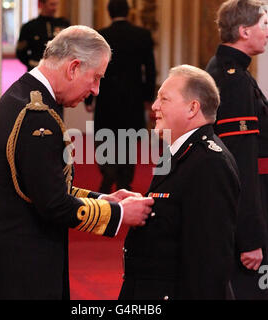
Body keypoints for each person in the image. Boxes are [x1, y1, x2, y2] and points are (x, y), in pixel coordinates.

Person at [0, 25, 154, 300]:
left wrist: (106, 201)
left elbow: (44, 186)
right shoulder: (38, 117)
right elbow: (53, 203)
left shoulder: (26, 98)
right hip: (21, 274)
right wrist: (121, 215)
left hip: (10, 264)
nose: (96, 90)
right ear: (73, 67)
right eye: (95, 78)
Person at [118, 65, 241, 300]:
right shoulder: (182, 153)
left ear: (192, 108)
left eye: (164, 99)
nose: (154, 106)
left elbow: (209, 263)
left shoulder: (209, 163)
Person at [206, 0, 268, 299]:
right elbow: (240, 162)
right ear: (244, 31)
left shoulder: (228, 70)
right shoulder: (235, 81)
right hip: (244, 215)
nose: (267, 32)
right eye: (264, 25)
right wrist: (250, 237)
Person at [85, 0, 156, 193]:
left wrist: (89, 98)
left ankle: (109, 175)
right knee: (129, 140)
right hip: (133, 97)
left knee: (105, 138)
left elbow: (91, 70)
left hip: (106, 97)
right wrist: (149, 98)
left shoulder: (101, 37)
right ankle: (124, 181)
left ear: (109, 13)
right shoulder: (142, 35)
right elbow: (149, 69)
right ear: (128, 12)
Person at [16, 0, 70, 71]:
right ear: (41, 4)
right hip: (36, 69)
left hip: (59, 70)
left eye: (56, 4)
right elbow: (20, 52)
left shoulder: (64, 24)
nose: (55, 8)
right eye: (52, 5)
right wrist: (32, 64)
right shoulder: (29, 26)